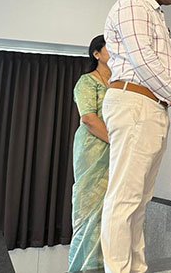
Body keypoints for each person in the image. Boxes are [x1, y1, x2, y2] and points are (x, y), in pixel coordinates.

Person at [101, 0, 171, 273]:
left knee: (139, 201)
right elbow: (142, 59)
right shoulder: (132, 5)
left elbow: (165, 63)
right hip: (134, 102)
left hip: (152, 106)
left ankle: (136, 268)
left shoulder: (156, 14)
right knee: (124, 198)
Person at [69, 35, 110, 272]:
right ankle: (84, 268)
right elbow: (89, 119)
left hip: (116, 153)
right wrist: (117, 142)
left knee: (111, 211)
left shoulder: (120, 83)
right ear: (96, 54)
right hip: (93, 149)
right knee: (90, 209)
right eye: (110, 47)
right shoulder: (87, 81)